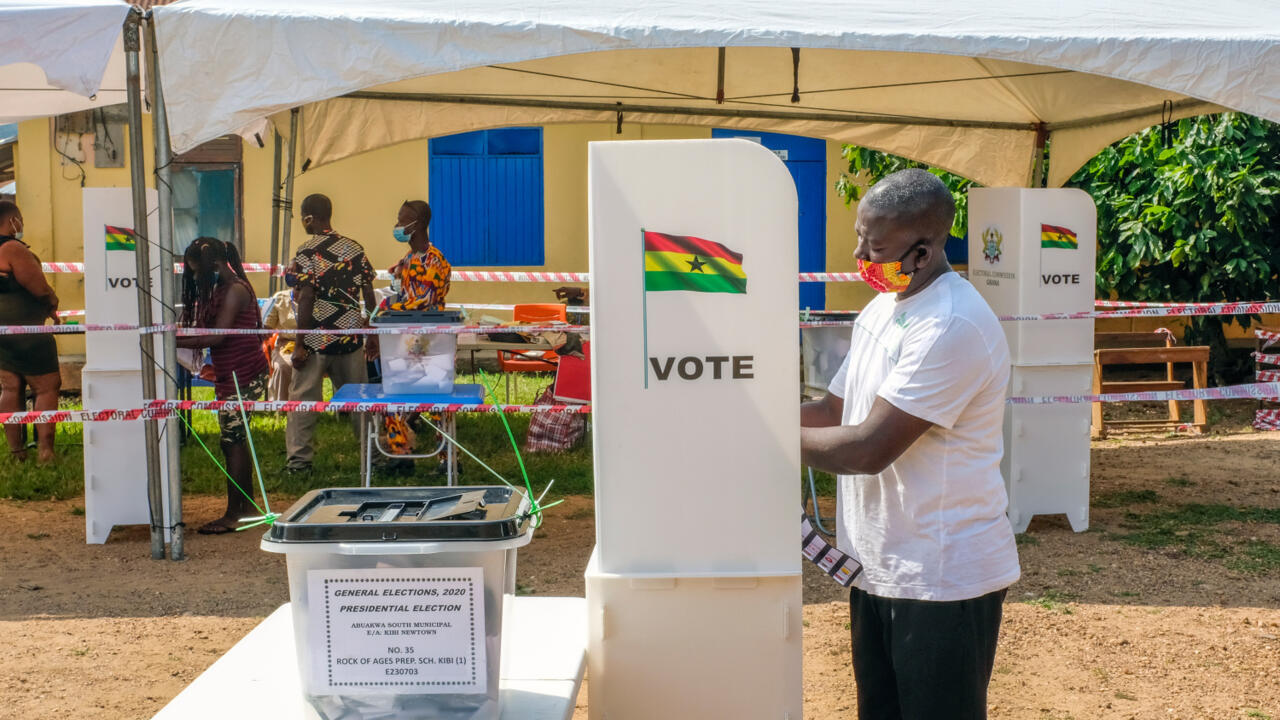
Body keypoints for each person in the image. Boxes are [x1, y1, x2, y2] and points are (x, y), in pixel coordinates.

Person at [800, 169, 1018, 720]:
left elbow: (866, 448)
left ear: (921, 254)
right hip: (878, 566)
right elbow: (833, 412)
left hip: (941, 578)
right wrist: (738, 418)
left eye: (875, 248)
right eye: (860, 237)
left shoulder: (950, 324)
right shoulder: (884, 306)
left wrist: (756, 439)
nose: (859, 256)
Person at [176, 237, 270, 535]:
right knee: (234, 440)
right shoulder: (223, 287)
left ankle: (236, 513)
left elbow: (218, 336)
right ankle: (246, 507)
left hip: (244, 374)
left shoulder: (235, 290)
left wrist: (173, 342)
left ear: (214, 265)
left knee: (233, 441)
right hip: (232, 373)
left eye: (197, 272)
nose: (195, 279)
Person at [285, 193, 377, 474]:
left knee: (303, 401)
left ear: (309, 218)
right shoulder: (355, 248)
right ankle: (375, 456)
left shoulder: (306, 252)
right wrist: (372, 333)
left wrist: (299, 343)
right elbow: (369, 292)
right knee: (361, 401)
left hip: (316, 339)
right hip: (351, 337)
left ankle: (299, 462)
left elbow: (306, 297)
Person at [380, 200, 451, 464]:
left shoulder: (436, 261)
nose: (397, 226)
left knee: (438, 405)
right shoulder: (410, 258)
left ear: (417, 224)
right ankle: (400, 454)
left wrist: (385, 307)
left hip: (432, 341)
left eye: (402, 221)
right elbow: (406, 294)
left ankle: (447, 460)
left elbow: (422, 301)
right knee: (394, 395)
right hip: (406, 339)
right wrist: (398, 275)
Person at [0, 202, 61, 463]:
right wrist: (52, 303)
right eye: (20, 220)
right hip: (28, 334)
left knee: (10, 387)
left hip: (2, 333)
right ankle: (45, 452)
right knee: (46, 387)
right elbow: (38, 287)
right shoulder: (13, 249)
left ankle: (17, 453)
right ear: (12, 221)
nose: (22, 225)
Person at [263, 285, 298, 401]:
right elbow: (267, 328)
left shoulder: (317, 298)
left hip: (313, 343)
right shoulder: (280, 298)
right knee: (283, 367)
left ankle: (308, 407)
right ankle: (281, 406)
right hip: (286, 344)